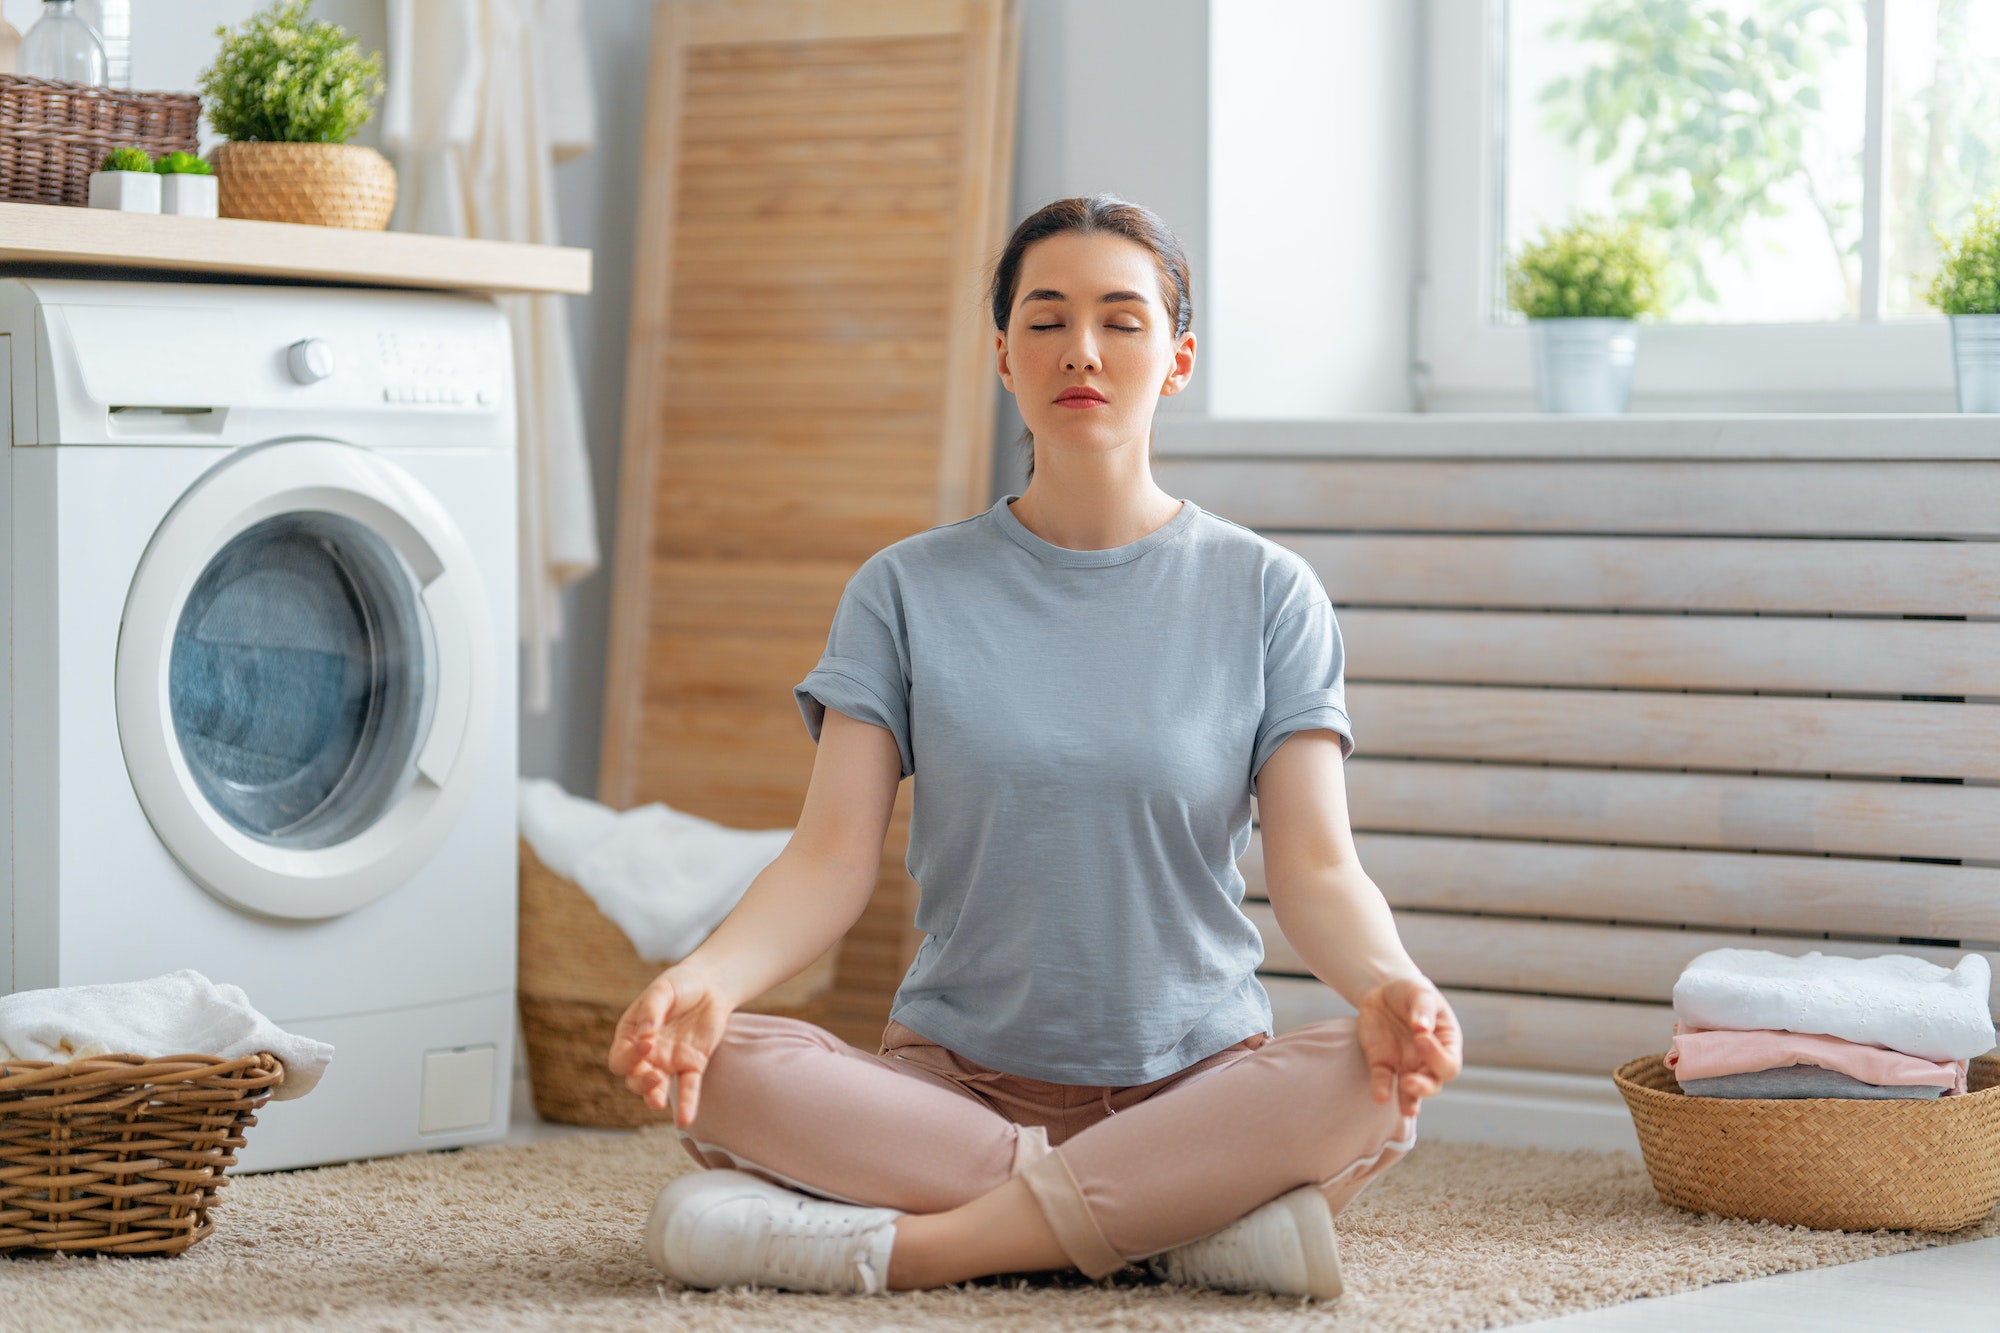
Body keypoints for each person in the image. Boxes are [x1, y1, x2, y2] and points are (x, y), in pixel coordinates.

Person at [606, 195, 1463, 1300]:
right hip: (948, 1095)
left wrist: (1393, 984)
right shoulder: (902, 590)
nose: (1083, 352)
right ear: (1002, 355)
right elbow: (827, 860)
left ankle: (922, 1248)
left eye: (1122, 319)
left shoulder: (1266, 592)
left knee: (1364, 1071)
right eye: (1046, 319)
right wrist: (705, 977)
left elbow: (1314, 869)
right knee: (721, 1060)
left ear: (1177, 358)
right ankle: (1173, 1222)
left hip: (1194, 1085)